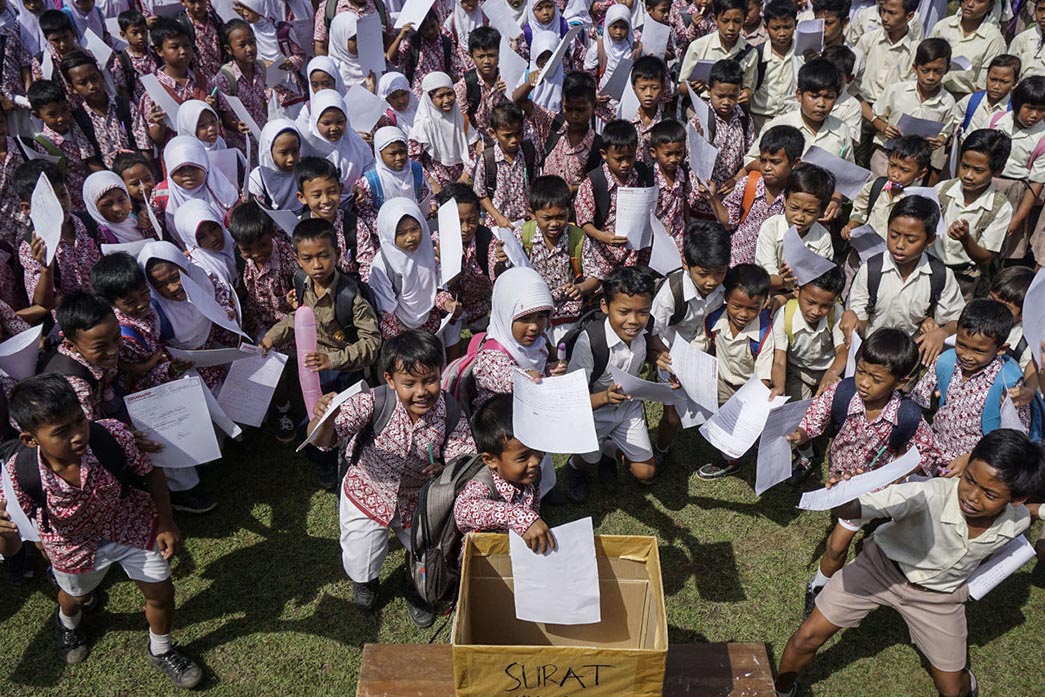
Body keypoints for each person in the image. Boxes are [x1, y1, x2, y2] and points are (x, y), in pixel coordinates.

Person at [774, 428, 1045, 697]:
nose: (971, 496)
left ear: (1016, 499)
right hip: (878, 570)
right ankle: (781, 690)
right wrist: (843, 496)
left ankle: (966, 681)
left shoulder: (1016, 518)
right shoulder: (930, 494)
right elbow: (868, 505)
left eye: (989, 494)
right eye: (970, 479)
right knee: (806, 637)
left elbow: (1031, 512)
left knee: (953, 690)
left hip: (939, 598)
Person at [1, 374, 202, 688]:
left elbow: (151, 474)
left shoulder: (110, 436)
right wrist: (33, 540)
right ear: (30, 439)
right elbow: (16, 515)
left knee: (162, 593)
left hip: (128, 524)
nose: (79, 435)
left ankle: (161, 649)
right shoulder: (20, 472)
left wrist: (165, 521)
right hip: (71, 546)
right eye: (61, 432)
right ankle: (68, 622)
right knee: (75, 596)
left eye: (79, 421)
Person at [306, 330, 477, 626]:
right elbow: (324, 439)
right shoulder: (372, 402)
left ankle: (415, 588)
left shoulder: (450, 411)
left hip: (419, 500)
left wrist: (445, 471)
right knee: (361, 559)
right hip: (367, 493)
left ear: (440, 372)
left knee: (430, 556)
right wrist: (324, 418)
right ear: (389, 379)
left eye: (430, 380)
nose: (421, 391)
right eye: (409, 383)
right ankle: (365, 581)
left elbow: (463, 457)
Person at [788, 328, 941, 612]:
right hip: (849, 489)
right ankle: (820, 585)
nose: (864, 383)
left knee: (884, 542)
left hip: (883, 492)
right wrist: (801, 434)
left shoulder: (907, 416)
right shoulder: (843, 393)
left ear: (901, 381)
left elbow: (930, 454)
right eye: (861, 372)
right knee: (836, 546)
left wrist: (903, 466)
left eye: (876, 379)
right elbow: (816, 418)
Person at [563, 267, 658, 503]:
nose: (634, 321)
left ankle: (609, 450)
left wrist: (661, 359)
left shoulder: (646, 327)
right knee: (587, 462)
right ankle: (575, 467)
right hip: (594, 412)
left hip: (628, 410)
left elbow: (651, 348)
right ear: (605, 306)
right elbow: (572, 400)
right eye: (624, 312)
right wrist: (605, 397)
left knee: (646, 473)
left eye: (643, 312)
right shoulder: (590, 343)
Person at [841, 195, 964, 368]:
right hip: (872, 359)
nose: (899, 244)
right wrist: (852, 319)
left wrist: (942, 332)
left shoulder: (940, 275)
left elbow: (957, 320)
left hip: (912, 364)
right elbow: (859, 321)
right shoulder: (871, 270)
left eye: (911, 239)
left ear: (930, 241)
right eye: (893, 235)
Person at [910, 299, 1030, 464]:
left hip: (979, 464)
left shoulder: (1008, 382)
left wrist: (971, 458)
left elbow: (1015, 439)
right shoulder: (945, 361)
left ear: (1001, 349)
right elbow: (916, 403)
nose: (966, 355)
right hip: (936, 454)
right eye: (961, 345)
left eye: (978, 351)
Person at [649, 221, 729, 458]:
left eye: (719, 273)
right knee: (673, 418)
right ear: (686, 264)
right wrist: (669, 363)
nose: (712, 282)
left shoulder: (727, 283)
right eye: (703, 274)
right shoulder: (670, 294)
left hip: (705, 352)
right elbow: (653, 334)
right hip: (671, 353)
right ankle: (661, 450)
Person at [693, 263, 775, 479]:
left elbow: (764, 378)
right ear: (726, 297)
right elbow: (699, 345)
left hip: (751, 390)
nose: (744, 314)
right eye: (737, 306)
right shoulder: (713, 318)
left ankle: (757, 446)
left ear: (764, 302)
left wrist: (749, 402)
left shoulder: (766, 333)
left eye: (752, 308)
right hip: (721, 383)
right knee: (725, 424)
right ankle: (730, 461)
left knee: (750, 426)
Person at [453, 393, 554, 553]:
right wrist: (520, 518)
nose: (535, 461)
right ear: (490, 460)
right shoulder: (484, 484)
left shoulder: (528, 477)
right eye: (523, 457)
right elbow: (463, 510)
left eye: (536, 448)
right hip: (488, 561)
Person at [507, 175, 594, 342]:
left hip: (566, 313)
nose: (554, 224)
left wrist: (581, 288)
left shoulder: (577, 238)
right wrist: (502, 258)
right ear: (532, 214)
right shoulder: (523, 235)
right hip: (532, 311)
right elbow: (509, 275)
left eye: (560, 217)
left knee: (563, 355)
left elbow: (595, 277)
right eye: (547, 218)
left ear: (569, 210)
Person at [932, 129, 1013, 299]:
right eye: (965, 166)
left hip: (964, 281)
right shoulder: (942, 190)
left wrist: (965, 239)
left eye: (978, 170)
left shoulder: (999, 208)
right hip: (931, 270)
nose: (968, 175)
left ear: (998, 171)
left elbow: (985, 258)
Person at [706, 124, 801, 265]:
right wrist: (713, 198)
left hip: (771, 270)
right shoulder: (749, 184)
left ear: (795, 163)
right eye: (763, 160)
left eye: (775, 162)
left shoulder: (796, 195)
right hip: (736, 265)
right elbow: (728, 221)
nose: (767, 168)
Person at [15, 160, 101, 316]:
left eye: (63, 194)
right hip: (73, 319)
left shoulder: (88, 223)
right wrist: (46, 268)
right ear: (27, 208)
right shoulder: (31, 246)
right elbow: (43, 303)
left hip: (104, 307)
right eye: (51, 201)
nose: (61, 204)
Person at [576, 119, 652, 284]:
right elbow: (584, 222)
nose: (625, 164)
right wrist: (602, 236)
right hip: (603, 257)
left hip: (634, 254)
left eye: (629, 157)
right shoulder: (592, 183)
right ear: (604, 154)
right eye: (619, 159)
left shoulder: (640, 175)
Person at [369, 197, 457, 337]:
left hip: (431, 326)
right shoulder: (383, 264)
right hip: (400, 332)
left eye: (415, 229)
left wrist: (448, 304)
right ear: (389, 233)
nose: (410, 238)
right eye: (401, 233)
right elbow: (386, 311)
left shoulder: (430, 250)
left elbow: (437, 289)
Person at [743, 57, 854, 168]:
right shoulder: (779, 125)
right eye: (814, 97)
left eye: (829, 97)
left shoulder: (841, 130)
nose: (821, 104)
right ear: (799, 95)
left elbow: (849, 169)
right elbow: (750, 160)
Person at [868, 38, 955, 177]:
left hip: (915, 165)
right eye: (925, 70)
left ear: (947, 69)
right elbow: (876, 117)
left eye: (938, 71)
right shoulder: (897, 91)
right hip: (886, 156)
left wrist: (940, 140)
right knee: (878, 192)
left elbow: (946, 132)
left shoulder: (948, 101)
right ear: (915, 68)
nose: (931, 77)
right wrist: (884, 128)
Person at [515, 70, 602, 195]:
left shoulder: (597, 145)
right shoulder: (552, 124)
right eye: (568, 108)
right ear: (562, 103)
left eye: (580, 110)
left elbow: (597, 185)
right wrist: (530, 83)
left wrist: (573, 189)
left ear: (594, 107)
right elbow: (519, 100)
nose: (574, 115)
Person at [754, 163, 835, 293]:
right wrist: (782, 281)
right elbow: (767, 272)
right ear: (785, 200)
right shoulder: (771, 227)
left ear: (822, 211)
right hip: (768, 293)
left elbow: (818, 281)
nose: (800, 217)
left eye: (810, 212)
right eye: (794, 208)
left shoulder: (823, 238)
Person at [690, 59, 755, 220]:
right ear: (708, 91)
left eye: (732, 96)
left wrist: (736, 179)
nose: (726, 102)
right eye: (720, 96)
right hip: (700, 203)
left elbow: (750, 157)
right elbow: (690, 161)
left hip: (730, 203)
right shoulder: (700, 120)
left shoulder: (744, 119)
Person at [990, 76, 1045, 262]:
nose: (1034, 115)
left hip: (1017, 192)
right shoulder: (997, 120)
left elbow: (1036, 184)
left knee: (1006, 248)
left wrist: (1018, 219)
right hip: (987, 184)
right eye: (1029, 108)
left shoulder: (1042, 138)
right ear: (1016, 103)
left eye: (1041, 110)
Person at [433, 184, 493, 356]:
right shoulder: (436, 244)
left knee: (482, 341)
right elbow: (435, 287)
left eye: (472, 220)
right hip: (450, 306)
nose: (466, 228)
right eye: (459, 222)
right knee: (452, 339)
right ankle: (453, 366)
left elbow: (496, 275)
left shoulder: (486, 238)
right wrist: (447, 303)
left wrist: (500, 263)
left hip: (478, 304)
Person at [61, 50, 147, 168]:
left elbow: (144, 145)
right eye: (83, 83)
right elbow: (90, 158)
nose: (92, 86)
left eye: (94, 78)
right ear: (72, 88)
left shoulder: (124, 105)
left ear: (101, 76)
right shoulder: (79, 119)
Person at [28, 78, 104, 210]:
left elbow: (90, 159)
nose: (61, 118)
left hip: (95, 193)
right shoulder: (43, 144)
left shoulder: (77, 126)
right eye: (52, 114)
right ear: (37, 115)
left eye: (64, 110)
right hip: (74, 204)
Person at [138, 17, 214, 147]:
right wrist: (159, 124)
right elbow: (156, 138)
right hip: (179, 155)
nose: (183, 51)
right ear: (159, 51)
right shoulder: (154, 92)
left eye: (186, 46)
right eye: (175, 47)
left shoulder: (202, 81)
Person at [153, 135, 240, 232]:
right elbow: (156, 230)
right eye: (180, 169)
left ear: (205, 165)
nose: (188, 173)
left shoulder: (221, 187)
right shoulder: (160, 194)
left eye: (194, 167)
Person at [678, 0, 759, 102]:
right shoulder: (698, 47)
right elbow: (682, 87)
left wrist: (747, 93)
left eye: (737, 21)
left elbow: (749, 86)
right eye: (725, 21)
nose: (731, 27)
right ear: (715, 19)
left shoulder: (750, 53)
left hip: (732, 109)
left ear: (744, 20)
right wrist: (691, 87)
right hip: (702, 104)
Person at [408, 71, 476, 191]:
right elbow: (413, 160)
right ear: (429, 98)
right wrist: (430, 181)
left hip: (463, 180)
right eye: (440, 96)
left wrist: (466, 174)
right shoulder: (423, 125)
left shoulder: (460, 118)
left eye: (450, 94)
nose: (447, 100)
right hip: (437, 184)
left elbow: (473, 148)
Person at [473, 102, 534, 228]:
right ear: (493, 133)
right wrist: (497, 217)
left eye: (518, 133)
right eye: (507, 136)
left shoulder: (529, 152)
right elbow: (481, 194)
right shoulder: (488, 159)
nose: (514, 140)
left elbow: (535, 183)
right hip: (498, 224)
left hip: (525, 222)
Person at [928, 0, 1006, 98]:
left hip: (964, 99)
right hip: (931, 91)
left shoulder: (994, 40)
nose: (970, 4)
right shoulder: (943, 27)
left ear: (990, 6)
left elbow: (983, 87)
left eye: (979, 1)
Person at [748, 0, 798, 131]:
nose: (782, 33)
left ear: (795, 24)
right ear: (766, 28)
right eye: (776, 28)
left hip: (790, 119)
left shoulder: (802, 54)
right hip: (760, 119)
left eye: (787, 27)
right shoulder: (757, 54)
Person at [454, 25, 508, 145]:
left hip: (506, 141)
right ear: (471, 56)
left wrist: (509, 94)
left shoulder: (507, 78)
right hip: (478, 144)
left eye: (491, 55)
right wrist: (475, 141)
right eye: (481, 56)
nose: (486, 61)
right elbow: (462, 118)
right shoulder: (465, 86)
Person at [951, 54, 1021, 140]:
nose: (996, 86)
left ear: (1015, 82)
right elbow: (953, 121)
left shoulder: (1014, 110)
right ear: (987, 76)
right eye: (993, 79)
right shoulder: (971, 100)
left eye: (1004, 82)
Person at [649, 119, 697, 244]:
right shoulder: (649, 178)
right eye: (668, 154)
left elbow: (685, 203)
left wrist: (688, 227)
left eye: (678, 153)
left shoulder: (683, 174)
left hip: (678, 236)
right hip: (655, 238)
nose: (674, 159)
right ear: (654, 153)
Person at [82, 171, 153, 245]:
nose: (117, 208)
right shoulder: (96, 236)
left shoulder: (136, 221)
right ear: (94, 208)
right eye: (107, 204)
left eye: (121, 200)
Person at [248, 118, 303, 212]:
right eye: (283, 153)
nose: (291, 159)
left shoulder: (304, 171)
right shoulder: (258, 178)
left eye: (295, 151)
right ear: (269, 152)